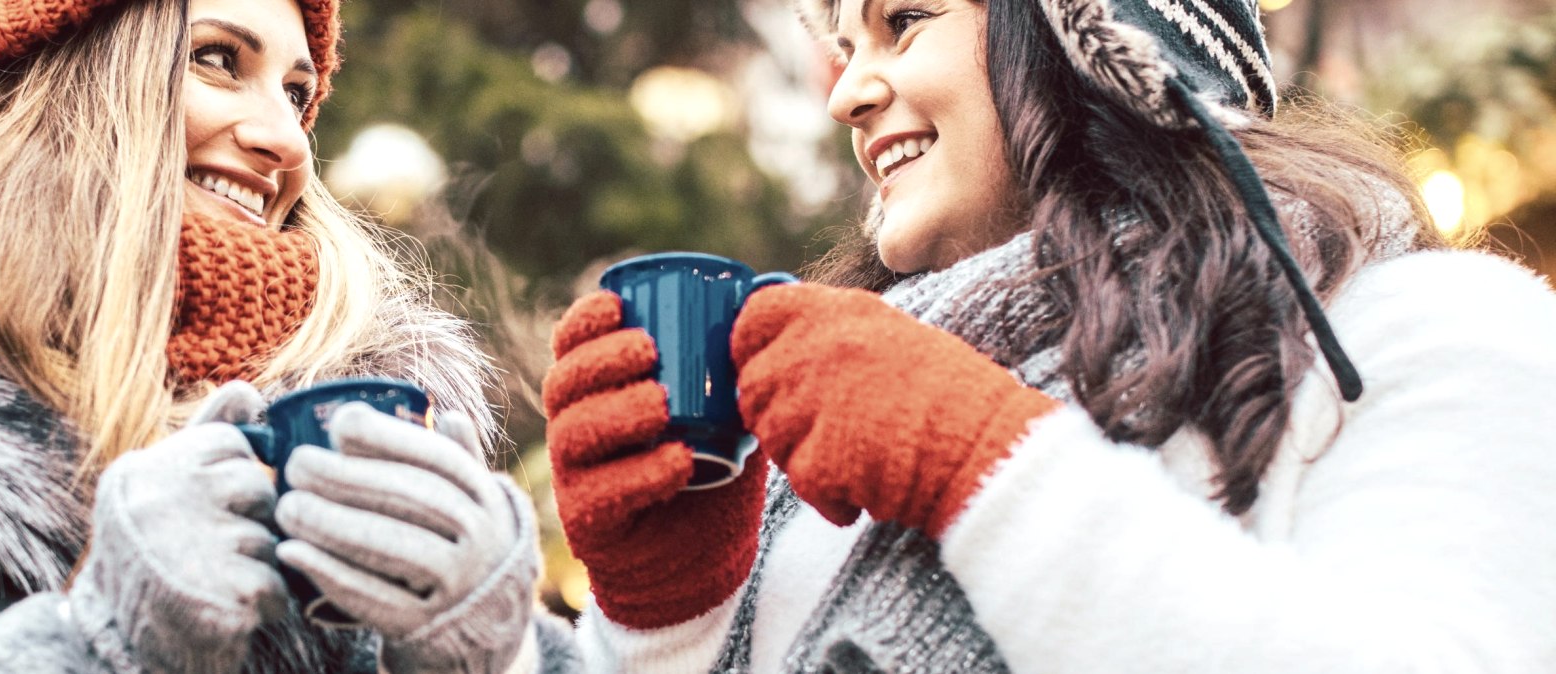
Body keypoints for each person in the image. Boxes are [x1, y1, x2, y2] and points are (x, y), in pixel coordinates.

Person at [543, 0, 1556, 671]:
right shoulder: (830, 454)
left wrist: (991, 471)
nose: (845, 92)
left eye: (905, 20)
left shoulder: (1428, 328)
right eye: (844, 48)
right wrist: (668, 623)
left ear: (1098, 35)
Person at [0, 1, 575, 672]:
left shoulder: (357, 418)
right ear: (46, 75)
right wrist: (105, 645)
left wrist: (509, 658)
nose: (289, 139)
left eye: (299, 95)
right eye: (217, 59)